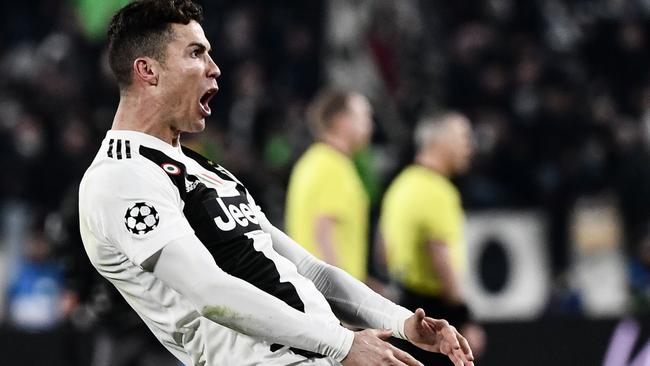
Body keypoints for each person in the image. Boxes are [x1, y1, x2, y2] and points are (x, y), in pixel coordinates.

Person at [78, 1, 474, 365]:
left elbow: (309, 271)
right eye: (196, 53)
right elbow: (211, 293)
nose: (214, 68)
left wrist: (403, 322)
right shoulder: (121, 177)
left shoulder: (205, 170)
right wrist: (343, 343)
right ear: (147, 71)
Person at [379, 112, 486, 365]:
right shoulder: (438, 191)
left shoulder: (399, 186)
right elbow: (441, 259)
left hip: (404, 314)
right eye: (463, 138)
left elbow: (383, 253)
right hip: (435, 319)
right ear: (439, 142)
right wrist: (464, 319)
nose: (469, 147)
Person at [285, 89, 372, 282]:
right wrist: (345, 296)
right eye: (364, 116)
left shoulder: (311, 161)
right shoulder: (333, 167)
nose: (370, 125)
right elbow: (323, 234)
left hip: (311, 287)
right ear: (342, 121)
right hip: (329, 297)